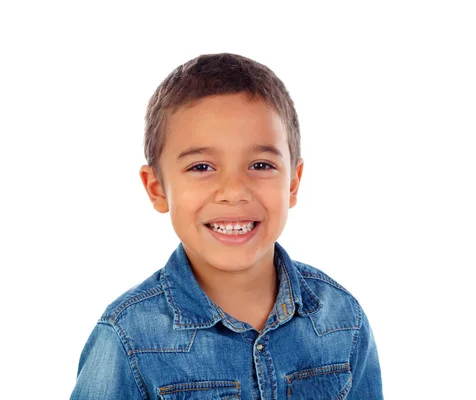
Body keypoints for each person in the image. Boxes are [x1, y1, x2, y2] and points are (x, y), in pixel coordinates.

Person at [70, 53, 383, 399]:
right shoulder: (128, 337)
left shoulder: (342, 319)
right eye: (202, 167)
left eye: (261, 164)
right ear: (157, 188)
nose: (234, 191)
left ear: (293, 183)